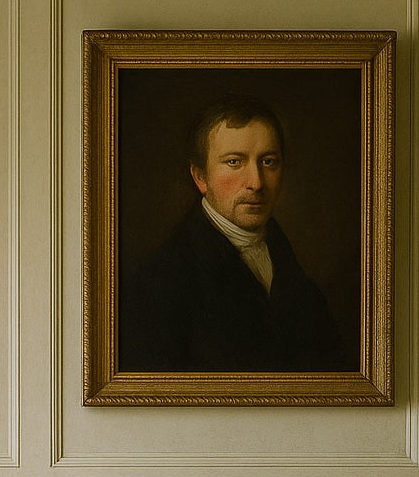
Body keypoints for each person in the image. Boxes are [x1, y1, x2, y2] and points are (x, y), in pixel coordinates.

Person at [119, 97, 353, 372]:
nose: (256, 182)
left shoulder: (293, 272)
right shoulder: (160, 286)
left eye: (268, 162)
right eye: (234, 162)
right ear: (200, 177)